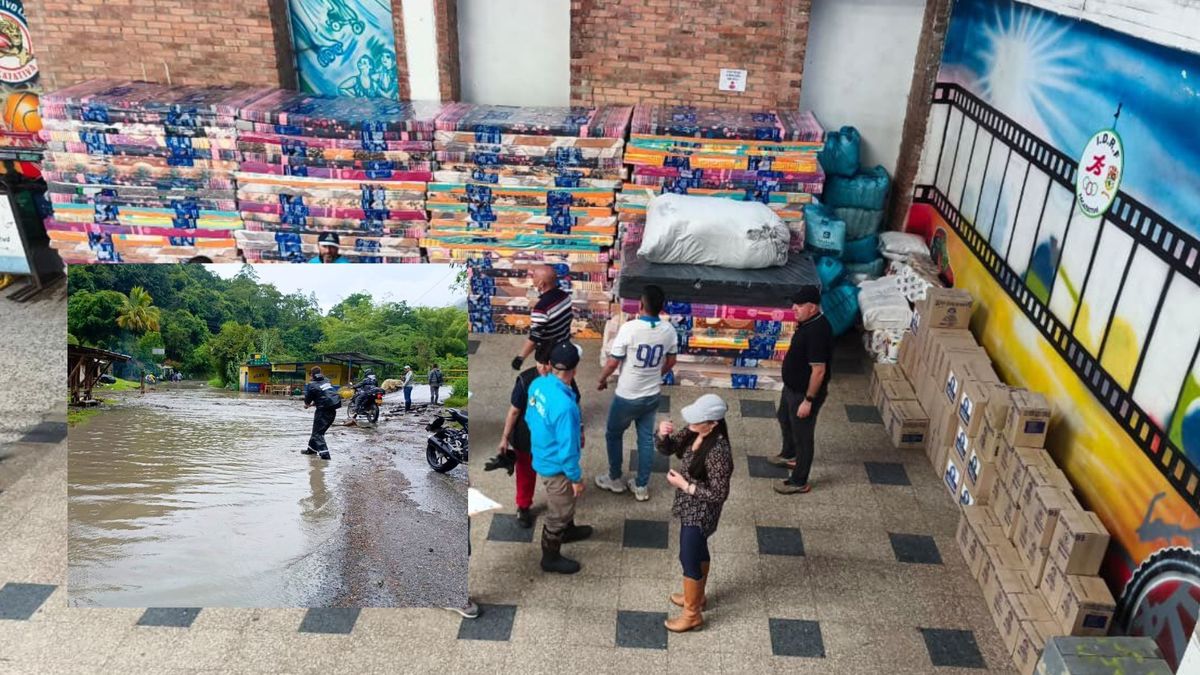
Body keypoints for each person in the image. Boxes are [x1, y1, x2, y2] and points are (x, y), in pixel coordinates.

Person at [595, 284, 677, 501]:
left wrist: (602, 380)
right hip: (652, 395)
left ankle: (614, 478)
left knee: (614, 434)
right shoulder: (669, 330)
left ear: (640, 305)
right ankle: (641, 486)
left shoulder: (629, 329)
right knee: (646, 440)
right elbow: (672, 361)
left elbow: (613, 362)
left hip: (627, 396)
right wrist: (657, 374)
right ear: (661, 307)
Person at [488, 342, 584, 528]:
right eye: (540, 363)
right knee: (528, 475)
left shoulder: (541, 383)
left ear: (552, 364)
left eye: (546, 364)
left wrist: (578, 429)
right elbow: (514, 411)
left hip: (535, 440)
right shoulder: (530, 381)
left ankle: (530, 508)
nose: (543, 368)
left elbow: (573, 407)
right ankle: (525, 508)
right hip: (530, 443)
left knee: (530, 475)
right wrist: (505, 437)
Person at [525, 341, 593, 574]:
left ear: (551, 364)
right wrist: (576, 479)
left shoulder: (537, 384)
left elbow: (529, 417)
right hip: (556, 466)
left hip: (541, 453)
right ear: (575, 369)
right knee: (558, 512)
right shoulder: (565, 406)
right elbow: (568, 450)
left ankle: (568, 530)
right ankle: (550, 558)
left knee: (565, 503)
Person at [770, 287, 834, 495]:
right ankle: (789, 454)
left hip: (804, 394)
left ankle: (799, 481)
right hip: (792, 388)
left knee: (803, 437)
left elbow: (819, 371)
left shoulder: (817, 331)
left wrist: (808, 400)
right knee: (784, 417)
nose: (793, 308)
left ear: (812, 308)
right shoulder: (807, 323)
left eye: (799, 305)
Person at [512, 265, 573, 371]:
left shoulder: (541, 308)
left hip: (548, 355)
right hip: (565, 346)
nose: (532, 279)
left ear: (541, 283)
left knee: (547, 376)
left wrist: (520, 358)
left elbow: (534, 338)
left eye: (534, 276)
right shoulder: (565, 296)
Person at [303, 366, 341, 460]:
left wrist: (307, 404)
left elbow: (307, 400)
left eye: (310, 375)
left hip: (323, 412)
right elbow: (324, 395)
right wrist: (314, 403)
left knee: (318, 434)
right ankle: (311, 450)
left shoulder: (312, 385)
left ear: (312, 375)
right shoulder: (327, 381)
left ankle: (325, 455)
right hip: (332, 409)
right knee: (316, 431)